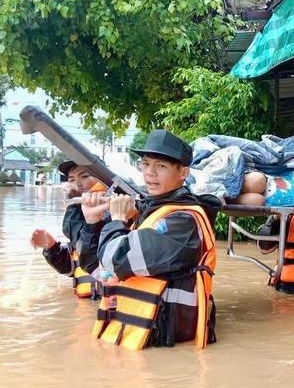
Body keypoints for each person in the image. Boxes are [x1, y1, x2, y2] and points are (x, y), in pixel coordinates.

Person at [81, 130, 221, 349]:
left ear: (183, 172)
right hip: (128, 339)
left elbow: (115, 260)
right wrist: (91, 222)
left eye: (161, 166)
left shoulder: (182, 223)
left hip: (163, 348)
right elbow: (98, 270)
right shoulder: (146, 214)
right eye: (145, 164)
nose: (150, 173)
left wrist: (116, 220)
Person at [30, 160, 106, 299]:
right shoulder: (79, 217)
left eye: (84, 176)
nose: (77, 184)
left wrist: (74, 205)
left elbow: (91, 253)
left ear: (103, 178)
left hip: (111, 302)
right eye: (71, 180)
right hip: (87, 306)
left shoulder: (116, 213)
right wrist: (52, 247)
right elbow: (72, 267)